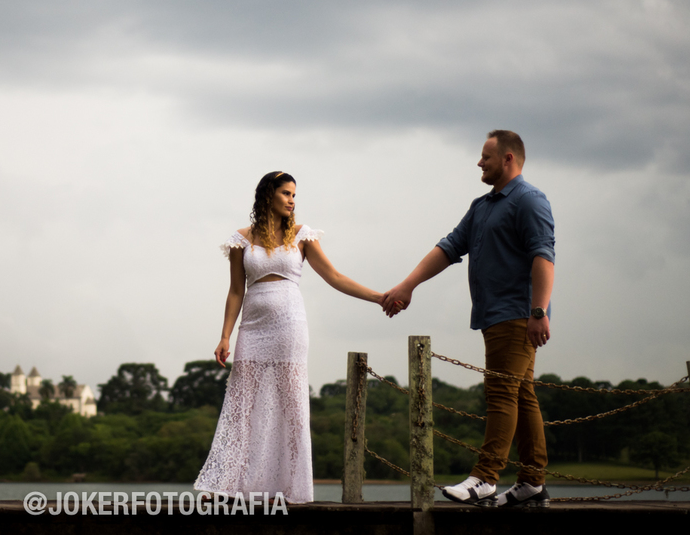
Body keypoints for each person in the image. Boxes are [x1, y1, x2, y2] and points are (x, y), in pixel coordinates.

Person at [382, 130, 555, 509]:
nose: (479, 162)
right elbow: (449, 247)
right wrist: (408, 285)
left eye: (486, 156)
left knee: (501, 393)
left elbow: (544, 255)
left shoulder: (529, 199)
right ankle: (532, 483)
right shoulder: (482, 206)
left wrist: (538, 311)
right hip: (494, 316)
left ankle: (485, 478)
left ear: (508, 158)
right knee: (521, 395)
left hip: (517, 314)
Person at [194, 171, 384, 504]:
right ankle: (229, 486)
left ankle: (287, 489)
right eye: (286, 193)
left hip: (290, 327)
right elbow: (236, 290)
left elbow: (334, 276)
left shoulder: (302, 236)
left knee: (289, 404)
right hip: (252, 328)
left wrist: (379, 297)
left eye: (294, 195)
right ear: (268, 195)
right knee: (242, 403)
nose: (292, 200)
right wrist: (224, 336)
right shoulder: (241, 240)